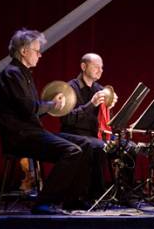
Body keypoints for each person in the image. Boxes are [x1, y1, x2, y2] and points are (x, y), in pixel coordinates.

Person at [0, 28, 93, 214]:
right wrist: (51, 104)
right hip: (21, 136)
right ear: (24, 51)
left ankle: (73, 200)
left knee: (86, 144)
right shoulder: (12, 74)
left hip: (33, 132)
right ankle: (43, 202)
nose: (40, 55)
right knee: (72, 151)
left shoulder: (24, 74)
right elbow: (28, 108)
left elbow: (32, 110)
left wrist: (50, 106)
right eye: (37, 51)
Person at [60, 53, 118, 200]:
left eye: (102, 67)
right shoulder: (69, 88)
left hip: (95, 135)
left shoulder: (99, 88)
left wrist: (110, 106)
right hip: (74, 134)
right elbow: (67, 119)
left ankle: (124, 196)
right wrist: (91, 104)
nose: (100, 70)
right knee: (97, 146)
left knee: (128, 147)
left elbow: (106, 120)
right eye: (96, 67)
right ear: (83, 66)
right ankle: (93, 196)